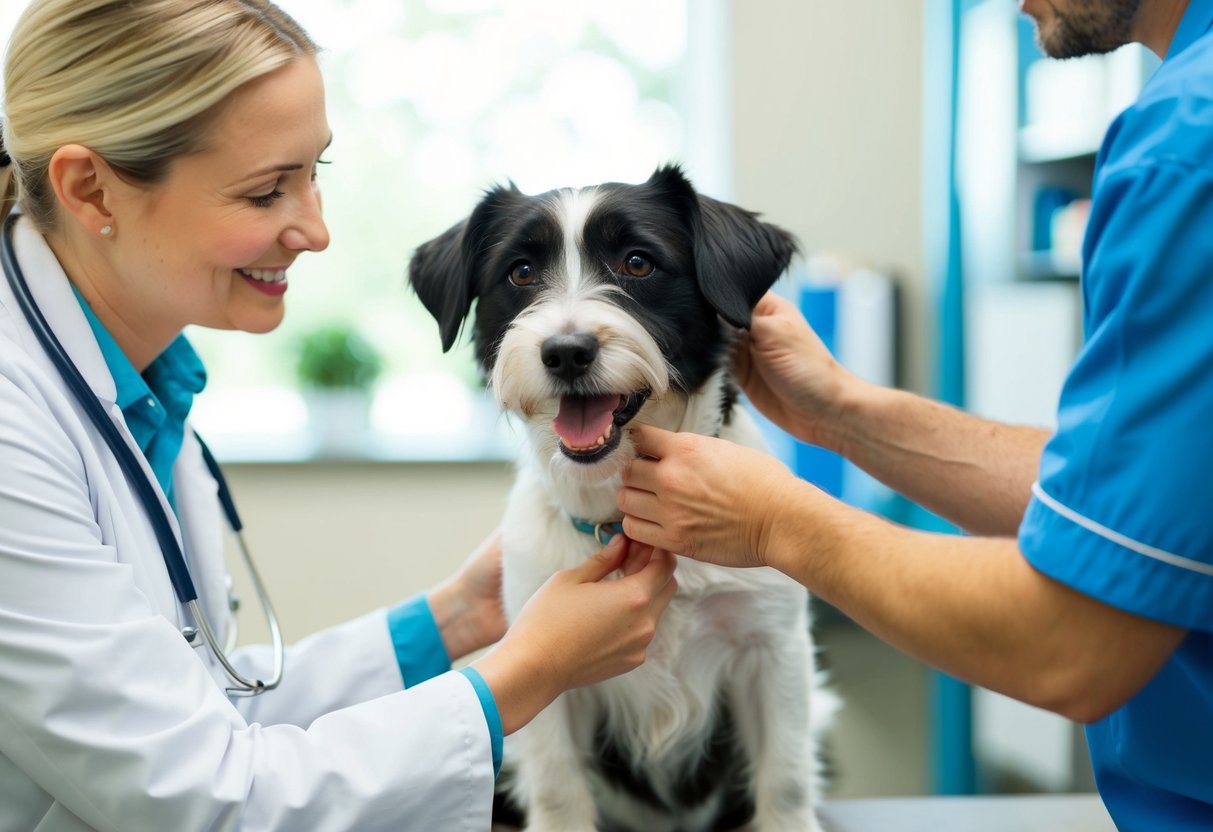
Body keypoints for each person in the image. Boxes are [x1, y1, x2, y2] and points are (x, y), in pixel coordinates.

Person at [0, 1, 677, 830]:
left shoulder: (139, 385)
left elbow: (200, 710)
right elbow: (208, 796)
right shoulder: (13, 421)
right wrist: (524, 671)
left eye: (313, 171)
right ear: (89, 186)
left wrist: (465, 612)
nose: (315, 230)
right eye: (265, 191)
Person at [618, 0, 1212, 829]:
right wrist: (841, 414)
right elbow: (1150, 512)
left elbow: (1071, 642)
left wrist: (772, 522)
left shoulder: (1186, 143)